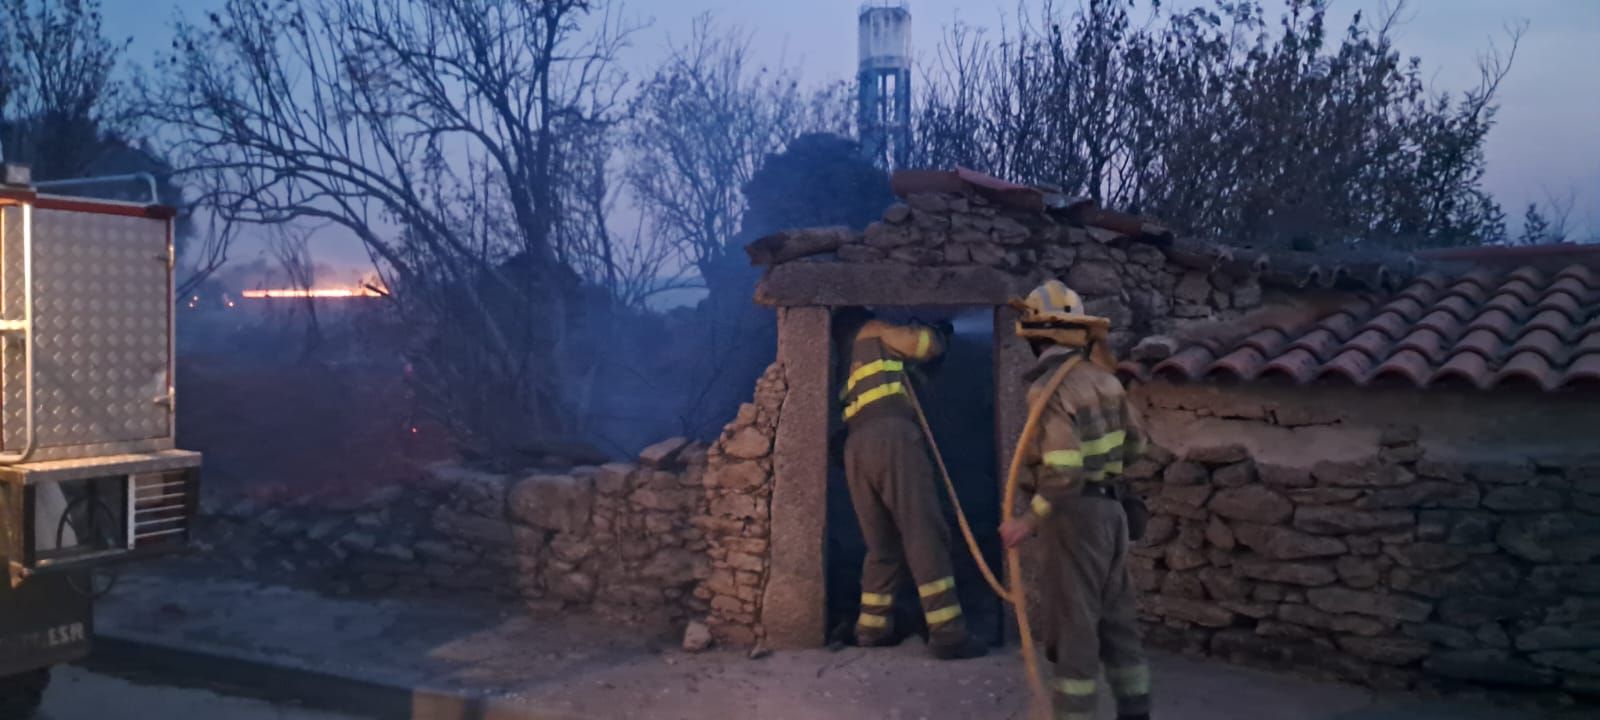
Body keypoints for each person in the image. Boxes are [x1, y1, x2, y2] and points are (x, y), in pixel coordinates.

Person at [999, 280, 1153, 720]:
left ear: (1037, 335)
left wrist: (1027, 522)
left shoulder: (1047, 390)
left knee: (1075, 629)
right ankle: (1136, 710)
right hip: (1113, 513)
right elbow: (1137, 448)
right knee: (1119, 622)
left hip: (1074, 518)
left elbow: (1063, 472)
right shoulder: (1106, 381)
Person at [833, 307, 987, 660]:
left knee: (882, 543)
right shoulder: (875, 329)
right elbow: (922, 346)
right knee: (924, 532)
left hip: (857, 447)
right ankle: (948, 634)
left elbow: (910, 376)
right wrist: (937, 332)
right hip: (893, 437)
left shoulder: (847, 361)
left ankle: (872, 630)